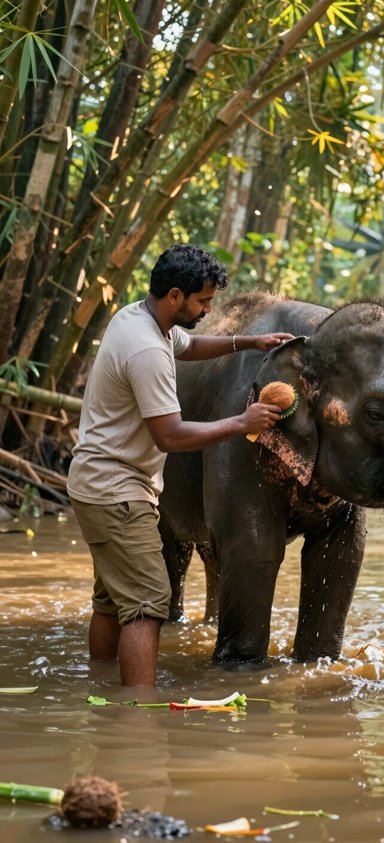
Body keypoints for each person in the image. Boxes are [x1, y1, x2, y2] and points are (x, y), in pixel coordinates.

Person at [67, 243, 293, 687]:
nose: (208, 309)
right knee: (149, 604)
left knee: (112, 600)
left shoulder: (140, 319)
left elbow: (187, 347)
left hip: (98, 482)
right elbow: (169, 436)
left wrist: (249, 341)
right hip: (118, 491)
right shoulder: (145, 350)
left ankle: (100, 690)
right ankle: (138, 712)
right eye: (203, 300)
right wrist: (241, 422)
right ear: (175, 296)